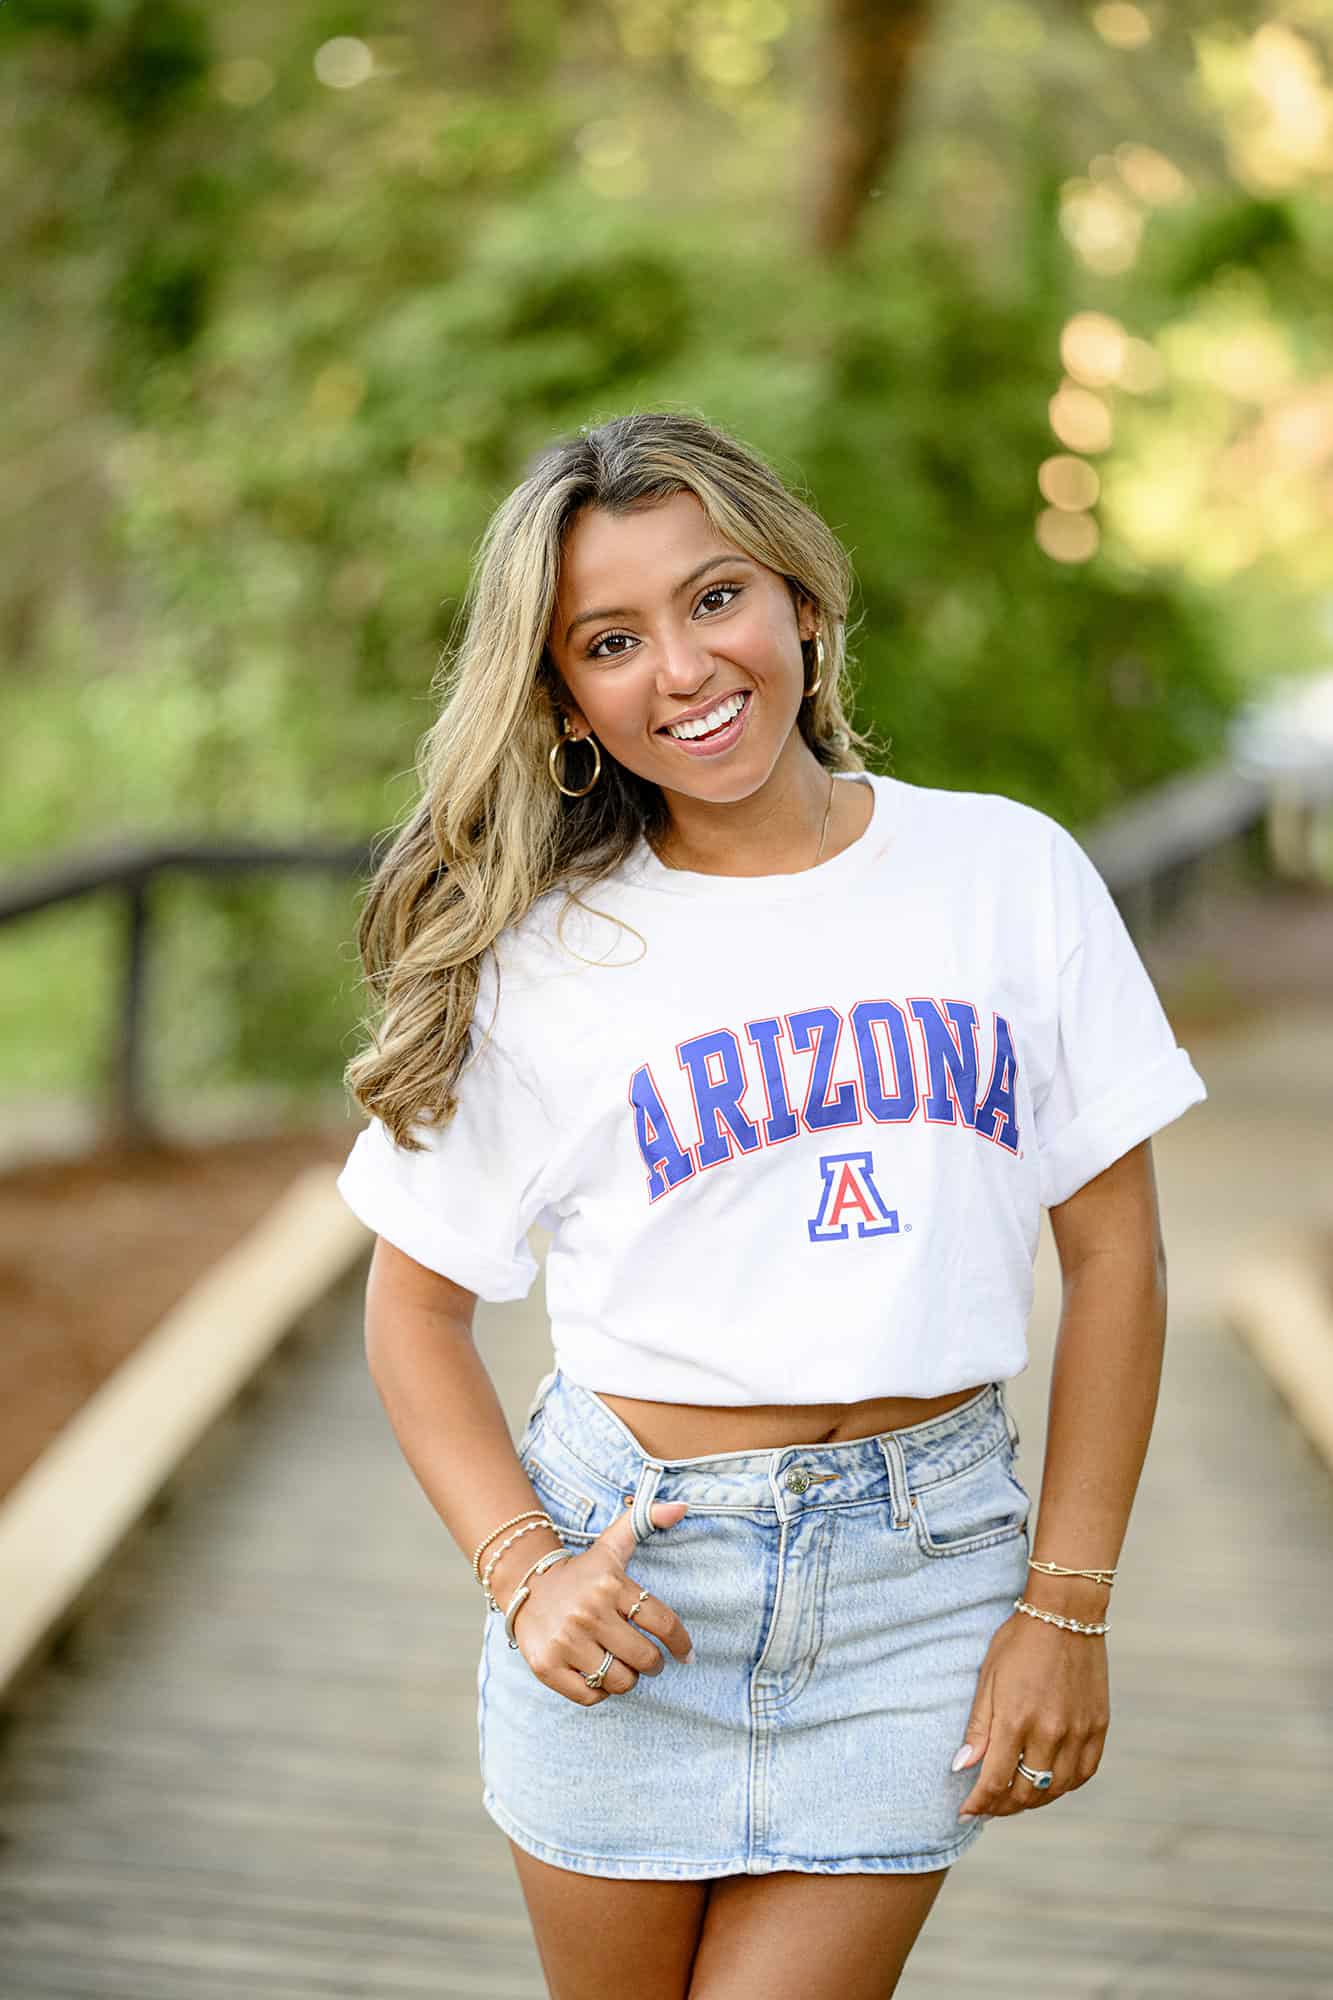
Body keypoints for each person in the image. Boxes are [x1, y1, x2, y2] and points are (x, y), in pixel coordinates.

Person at [335, 410, 1208, 1999]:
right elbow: (412, 1305)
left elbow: (1118, 1260)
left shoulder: (1005, 873)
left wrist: (1066, 1608)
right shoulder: (543, 953)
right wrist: (524, 1567)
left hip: (917, 1577)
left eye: (713, 598)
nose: (682, 666)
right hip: (632, 1586)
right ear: (567, 700)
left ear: (800, 601)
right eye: (611, 639)